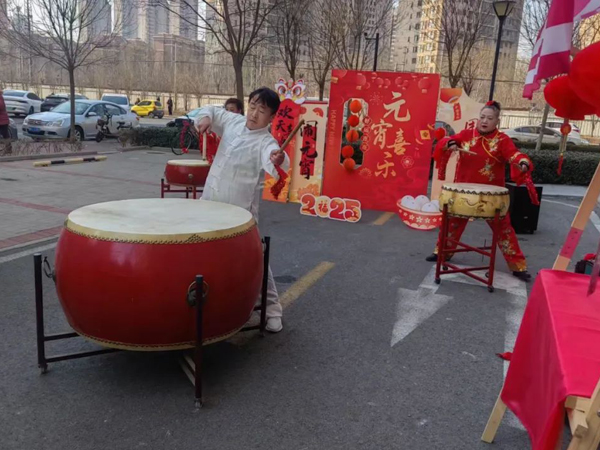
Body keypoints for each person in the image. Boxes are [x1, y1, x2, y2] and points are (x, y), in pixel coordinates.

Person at [194, 87, 288, 332]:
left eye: (262, 110)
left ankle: (272, 309)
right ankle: (211, 302)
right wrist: (205, 118)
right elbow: (212, 111)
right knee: (203, 254)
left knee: (256, 258)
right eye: (253, 106)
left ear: (271, 117)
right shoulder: (233, 121)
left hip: (240, 214)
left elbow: (275, 159)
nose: (254, 114)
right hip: (210, 203)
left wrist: (278, 159)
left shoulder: (266, 143)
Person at [426, 101, 533, 282]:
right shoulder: (467, 134)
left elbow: (514, 154)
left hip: (490, 197)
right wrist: (450, 144)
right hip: (464, 193)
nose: (484, 121)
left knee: (504, 229)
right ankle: (442, 253)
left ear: (497, 121)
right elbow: (450, 140)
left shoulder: (502, 140)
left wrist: (522, 162)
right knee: (452, 224)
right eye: (482, 117)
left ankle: (518, 266)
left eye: (489, 118)